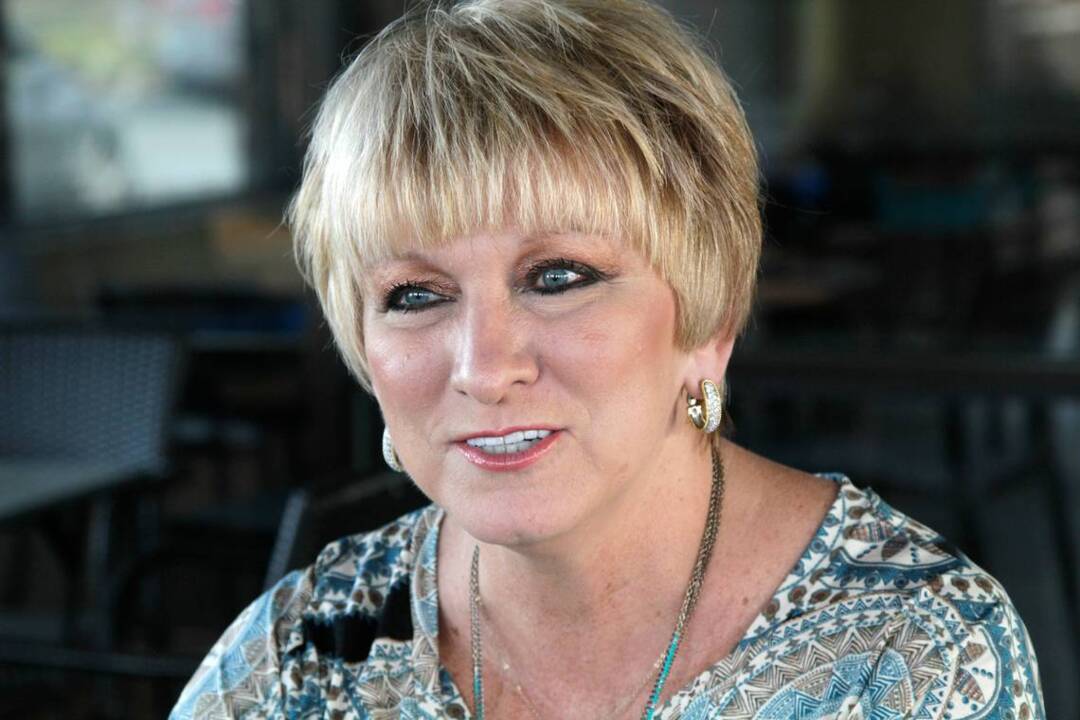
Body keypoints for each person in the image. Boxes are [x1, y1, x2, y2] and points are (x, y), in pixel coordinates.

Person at [170, 1, 1045, 718]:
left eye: (558, 277)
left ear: (709, 318)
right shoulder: (302, 658)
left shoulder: (906, 657)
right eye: (415, 295)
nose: (484, 368)